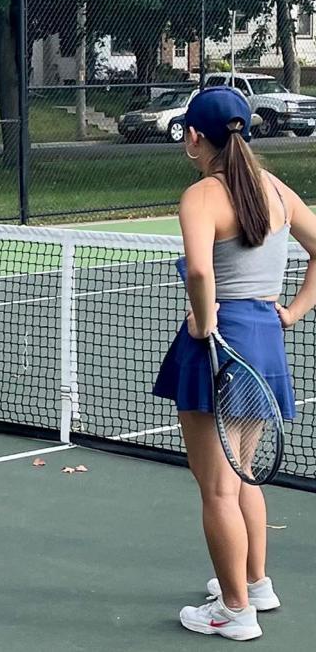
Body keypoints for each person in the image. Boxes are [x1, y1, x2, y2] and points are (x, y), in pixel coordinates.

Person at [152, 87, 316, 641]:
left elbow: (200, 273)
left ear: (194, 137)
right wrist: (291, 312)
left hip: (220, 346)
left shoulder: (201, 196)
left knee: (217, 487)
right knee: (242, 474)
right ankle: (256, 584)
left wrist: (202, 322)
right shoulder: (276, 190)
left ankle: (235, 611)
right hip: (265, 342)